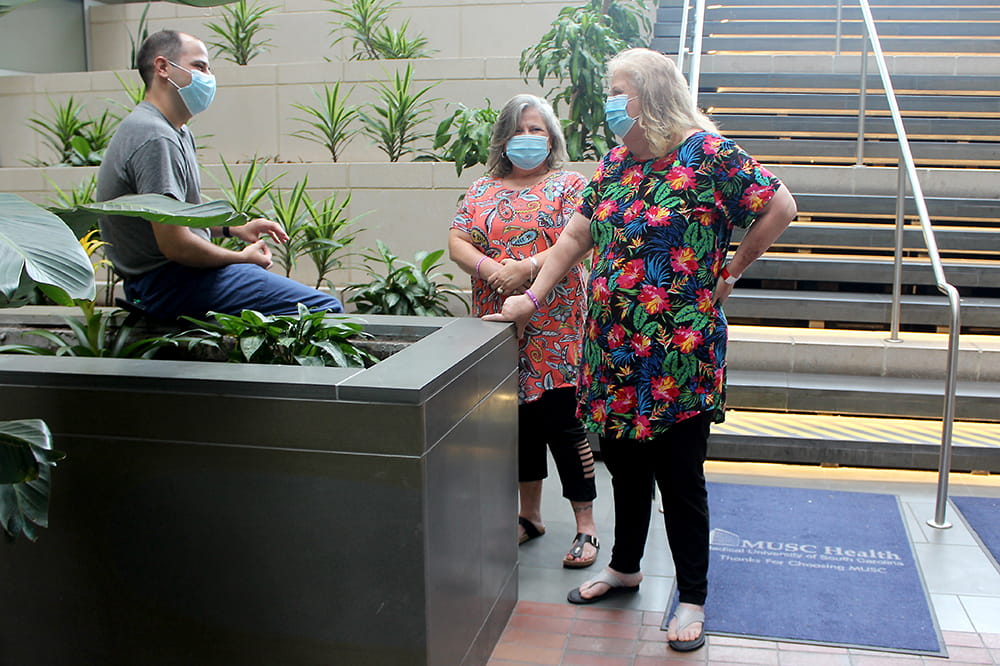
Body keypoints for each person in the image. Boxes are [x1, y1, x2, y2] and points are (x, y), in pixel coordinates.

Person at [484, 49, 797, 652]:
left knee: (681, 479)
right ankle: (625, 567)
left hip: (679, 356)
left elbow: (780, 205)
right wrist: (534, 294)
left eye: (618, 90)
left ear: (651, 93)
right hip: (612, 351)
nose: (610, 101)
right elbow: (577, 235)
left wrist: (730, 271)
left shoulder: (707, 155)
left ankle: (693, 597)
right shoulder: (617, 164)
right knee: (625, 468)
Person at [97, 30, 343, 321]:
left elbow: (178, 217)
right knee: (324, 310)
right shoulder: (155, 136)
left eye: (209, 68)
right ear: (163, 68)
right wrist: (241, 257)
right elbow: (174, 244)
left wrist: (233, 229)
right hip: (165, 285)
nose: (208, 77)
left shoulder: (173, 130)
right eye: (199, 66)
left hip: (167, 281)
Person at [449, 94, 600, 569]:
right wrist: (496, 271)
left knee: (562, 422)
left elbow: (580, 241)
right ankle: (529, 516)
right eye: (519, 130)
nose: (529, 139)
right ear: (502, 139)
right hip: (498, 321)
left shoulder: (571, 185)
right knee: (517, 426)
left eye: (538, 130)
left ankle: (586, 527)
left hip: (556, 325)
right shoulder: (480, 190)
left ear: (553, 137)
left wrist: (528, 269)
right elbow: (457, 241)